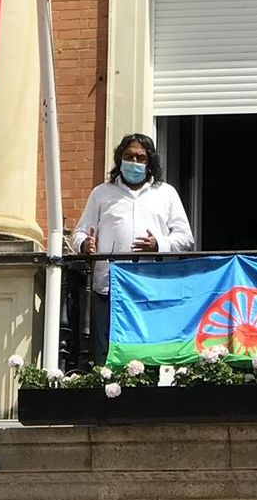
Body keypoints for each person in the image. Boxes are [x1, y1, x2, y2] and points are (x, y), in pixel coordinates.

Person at [75, 133, 194, 362]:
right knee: (107, 352)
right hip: (110, 287)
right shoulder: (101, 193)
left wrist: (159, 244)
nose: (135, 162)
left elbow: (185, 237)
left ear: (150, 162)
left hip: (150, 287)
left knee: (150, 350)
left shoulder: (165, 193)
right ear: (120, 159)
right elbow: (79, 232)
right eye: (129, 156)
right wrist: (84, 244)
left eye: (141, 158)